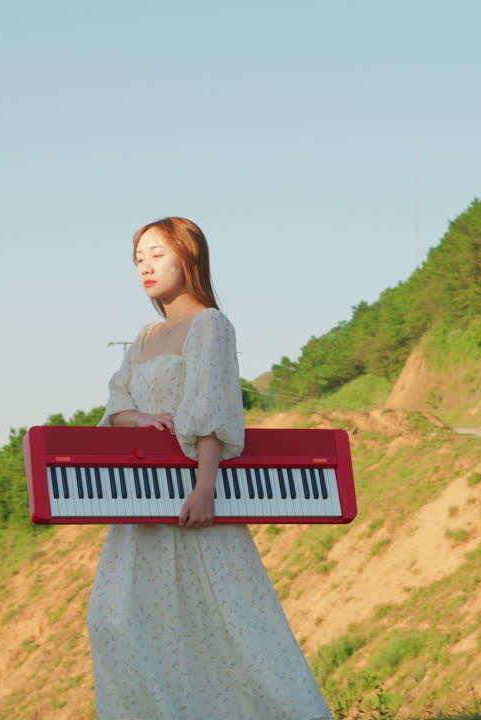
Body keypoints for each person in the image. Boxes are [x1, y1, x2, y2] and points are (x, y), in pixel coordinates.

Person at [87, 217, 332, 720]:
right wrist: (141, 417)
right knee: (118, 620)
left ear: (189, 255)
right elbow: (117, 404)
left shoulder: (211, 326)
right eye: (138, 259)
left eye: (157, 254)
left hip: (193, 496)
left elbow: (212, 409)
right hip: (142, 500)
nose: (146, 267)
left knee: (226, 624)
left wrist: (205, 489)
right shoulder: (144, 336)